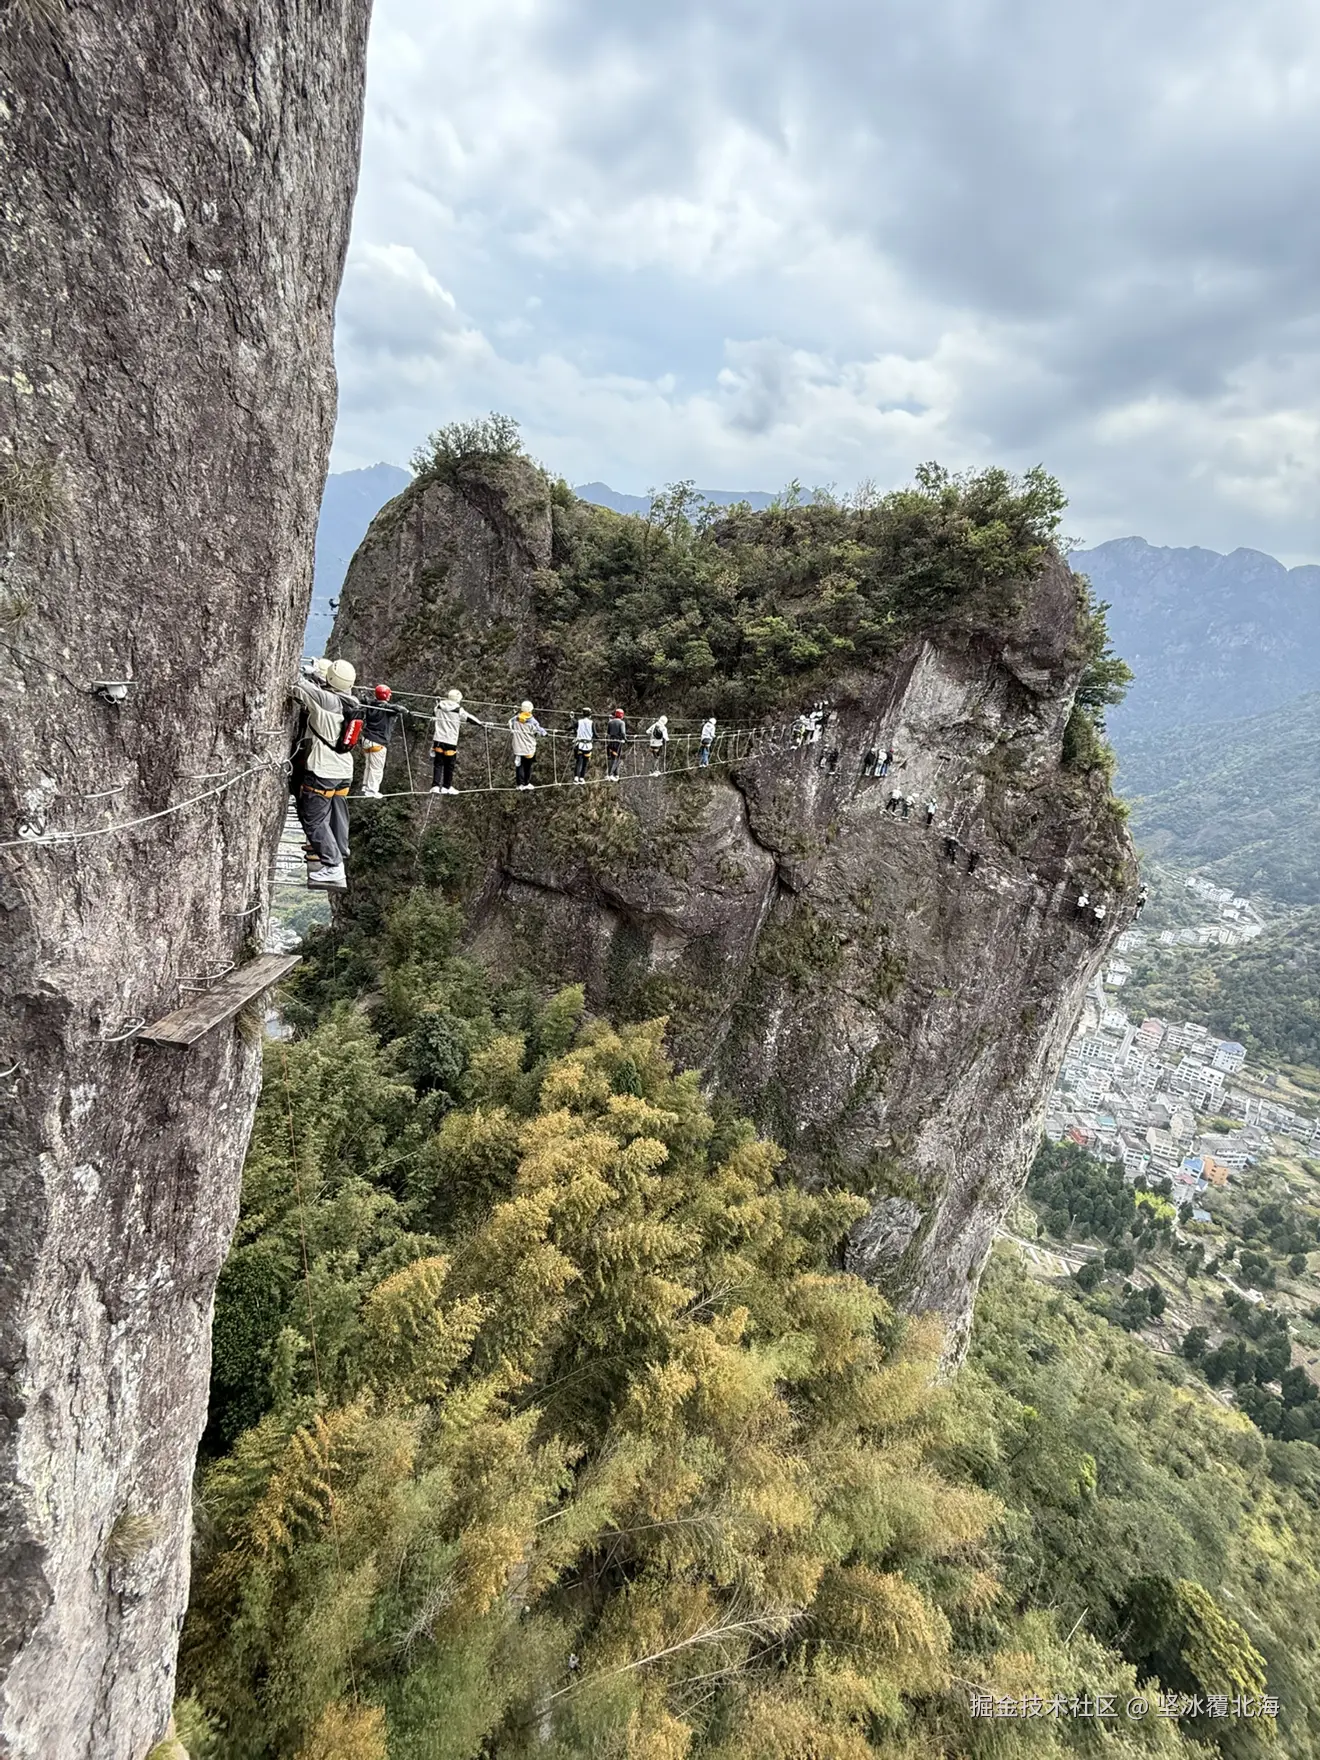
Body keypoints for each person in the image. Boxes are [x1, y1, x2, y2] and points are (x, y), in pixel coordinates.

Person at [291, 657, 358, 889]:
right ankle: (340, 851)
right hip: (344, 771)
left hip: (323, 770)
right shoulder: (353, 702)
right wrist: (318, 676)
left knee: (314, 819)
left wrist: (306, 674)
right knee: (337, 814)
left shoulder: (327, 700)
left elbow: (297, 687)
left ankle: (333, 866)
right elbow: (327, 690)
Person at [431, 687, 484, 794]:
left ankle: (435, 786)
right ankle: (446, 787)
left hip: (438, 740)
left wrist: (438, 703)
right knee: (449, 765)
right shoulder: (458, 709)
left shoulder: (439, 706)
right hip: (450, 741)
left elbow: (434, 713)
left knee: (438, 763)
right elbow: (469, 718)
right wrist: (481, 724)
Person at [358, 683, 407, 797]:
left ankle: (365, 786)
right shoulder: (387, 709)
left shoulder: (371, 704)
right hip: (378, 742)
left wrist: (363, 693)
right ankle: (372, 790)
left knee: (369, 765)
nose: (390, 696)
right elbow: (399, 709)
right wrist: (405, 711)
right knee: (376, 768)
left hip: (367, 739)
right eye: (388, 694)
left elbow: (364, 700)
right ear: (385, 695)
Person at [509, 700, 548, 789]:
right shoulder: (532, 721)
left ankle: (520, 784)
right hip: (528, 748)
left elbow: (510, 723)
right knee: (527, 766)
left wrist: (512, 729)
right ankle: (526, 783)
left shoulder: (516, 719)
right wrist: (545, 733)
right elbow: (539, 729)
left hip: (518, 747)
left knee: (519, 766)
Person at [572, 707, 594, 783]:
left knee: (579, 762)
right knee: (585, 763)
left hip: (580, 745)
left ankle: (576, 777)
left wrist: (572, 719)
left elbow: (572, 726)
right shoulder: (592, 723)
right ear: (590, 715)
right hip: (588, 746)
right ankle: (581, 778)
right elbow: (595, 734)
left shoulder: (579, 722)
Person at [605, 708, 627, 780]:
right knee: (616, 758)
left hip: (611, 741)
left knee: (613, 757)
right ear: (621, 715)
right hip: (618, 742)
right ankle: (610, 774)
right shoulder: (622, 723)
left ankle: (616, 774)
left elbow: (608, 732)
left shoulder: (610, 722)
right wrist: (625, 739)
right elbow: (623, 733)